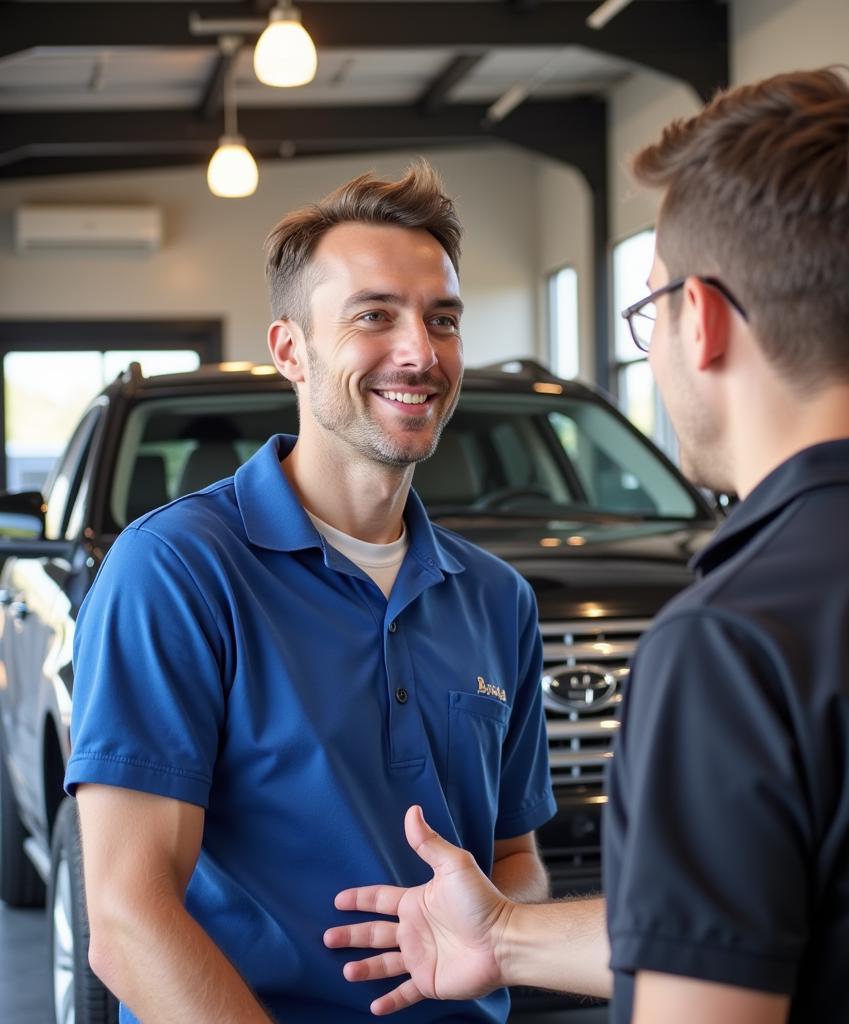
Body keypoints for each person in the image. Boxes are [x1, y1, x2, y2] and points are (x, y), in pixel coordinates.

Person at [325, 69, 849, 1023]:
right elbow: (829, 914)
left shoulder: (735, 641)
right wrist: (502, 936)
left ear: (701, 320)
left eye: (649, 309)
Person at [66, 163, 556, 1024]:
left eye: (442, 321)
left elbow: (514, 854)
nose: (420, 351)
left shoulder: (497, 598)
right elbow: (125, 918)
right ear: (290, 349)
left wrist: (492, 924)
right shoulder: (177, 571)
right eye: (375, 316)